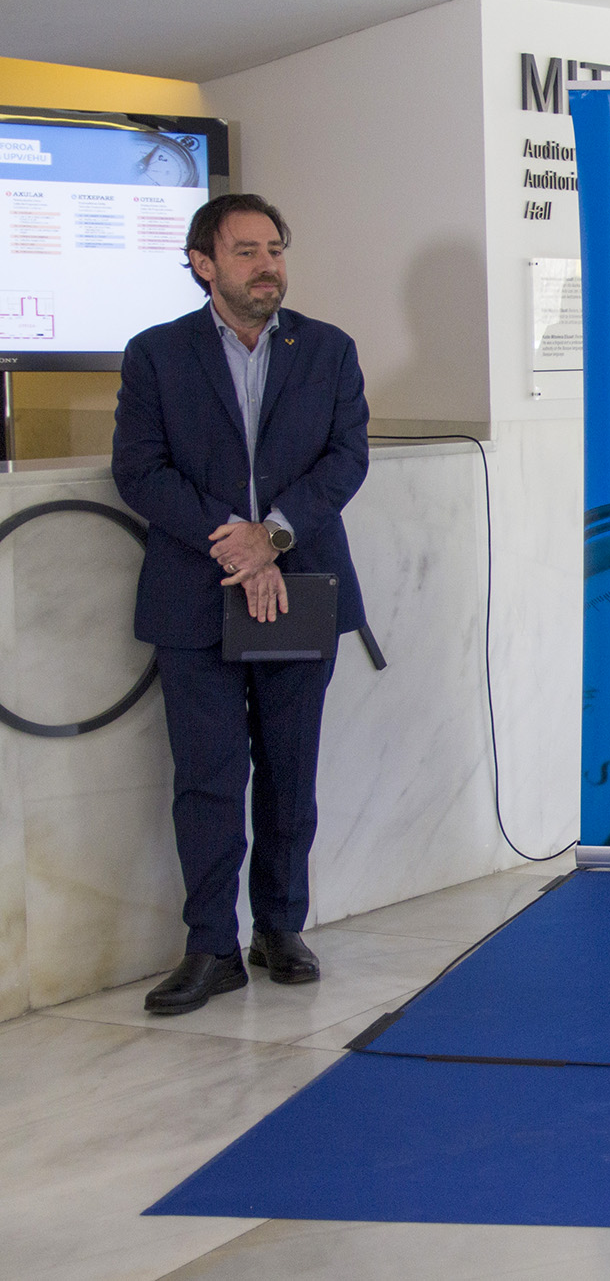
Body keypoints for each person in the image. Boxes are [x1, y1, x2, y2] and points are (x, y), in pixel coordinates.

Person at [112, 193, 370, 1014]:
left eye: (275, 250)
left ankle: (279, 928)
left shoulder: (328, 349)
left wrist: (276, 536)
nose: (268, 266)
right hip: (196, 594)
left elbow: (346, 458)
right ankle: (211, 947)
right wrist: (235, 540)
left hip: (303, 587)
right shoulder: (156, 354)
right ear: (203, 264)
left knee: (290, 774)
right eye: (247, 251)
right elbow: (139, 469)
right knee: (208, 779)